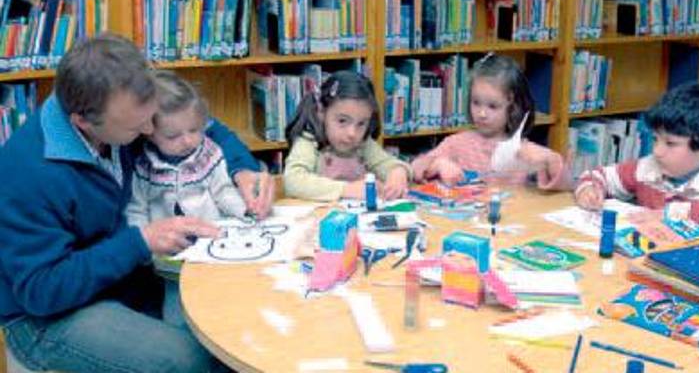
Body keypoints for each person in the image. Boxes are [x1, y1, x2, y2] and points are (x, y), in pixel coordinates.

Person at [0, 34, 273, 373]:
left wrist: (241, 170)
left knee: (242, 324)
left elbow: (207, 130)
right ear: (83, 123)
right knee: (192, 360)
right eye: (136, 127)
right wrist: (140, 242)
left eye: (153, 118)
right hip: (46, 317)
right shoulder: (26, 174)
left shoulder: (126, 108)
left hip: (127, 277)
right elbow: (41, 290)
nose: (149, 130)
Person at [125, 70, 249, 329]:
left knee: (224, 310)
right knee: (177, 319)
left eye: (194, 129)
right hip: (169, 261)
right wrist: (142, 244)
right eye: (173, 136)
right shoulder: (144, 165)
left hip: (212, 248)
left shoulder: (208, 152)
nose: (188, 141)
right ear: (149, 132)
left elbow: (222, 190)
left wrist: (244, 210)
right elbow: (137, 208)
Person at [574, 83, 699, 238]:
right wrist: (590, 189)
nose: (657, 151)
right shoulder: (649, 167)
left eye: (671, 143)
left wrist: (673, 214)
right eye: (655, 139)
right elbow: (601, 175)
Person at [411, 53, 569, 189]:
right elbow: (416, 169)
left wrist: (550, 159)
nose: (481, 113)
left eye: (492, 106)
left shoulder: (524, 150)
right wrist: (438, 164)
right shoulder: (456, 144)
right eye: (475, 102)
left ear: (513, 107)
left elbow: (567, 185)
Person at [283, 70, 411, 201]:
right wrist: (347, 189)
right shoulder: (308, 142)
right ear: (321, 111)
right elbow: (293, 181)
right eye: (342, 121)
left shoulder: (363, 144)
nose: (352, 133)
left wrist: (398, 172)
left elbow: (386, 163)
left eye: (361, 123)